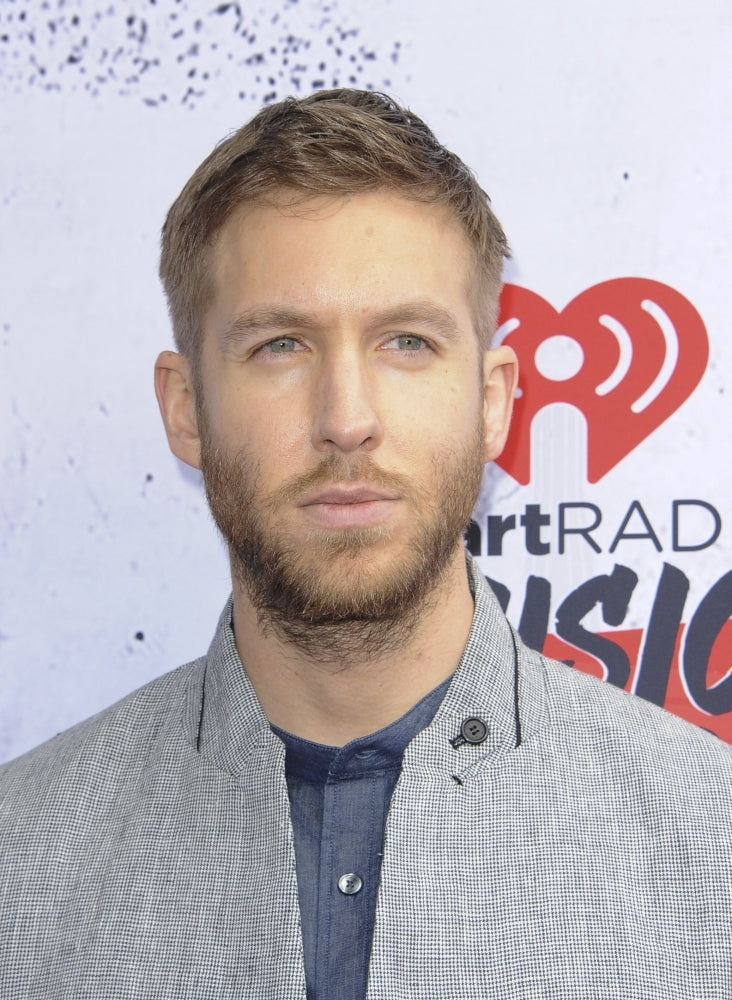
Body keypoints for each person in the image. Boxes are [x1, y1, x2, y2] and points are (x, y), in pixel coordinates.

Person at [1, 89, 730, 1000]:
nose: (347, 421)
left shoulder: (715, 844)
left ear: (496, 400)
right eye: (280, 346)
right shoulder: (18, 858)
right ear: (186, 410)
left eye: (407, 342)